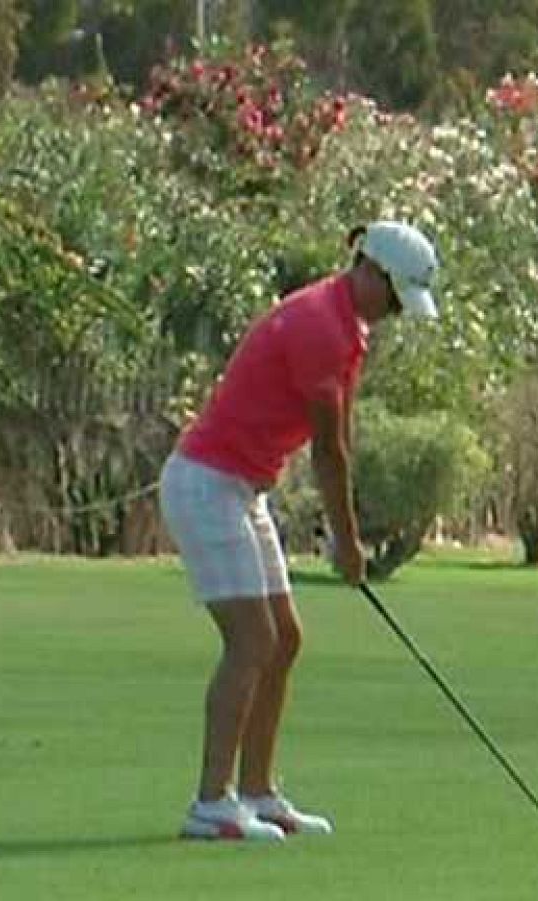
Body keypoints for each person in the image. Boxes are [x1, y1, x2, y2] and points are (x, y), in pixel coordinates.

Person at [157, 221, 440, 841]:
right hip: (207, 484)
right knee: (252, 640)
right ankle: (211, 804)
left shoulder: (346, 326)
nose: (395, 313)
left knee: (283, 638)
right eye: (394, 298)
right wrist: (347, 541)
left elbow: (340, 439)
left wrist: (344, 536)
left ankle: (258, 793)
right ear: (369, 270)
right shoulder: (319, 324)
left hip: (241, 488)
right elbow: (329, 452)